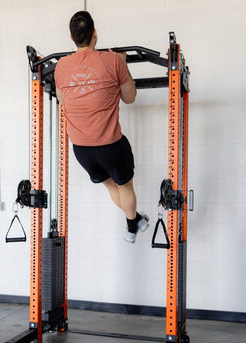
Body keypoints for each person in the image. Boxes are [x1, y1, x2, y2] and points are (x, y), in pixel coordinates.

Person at [54, 10, 149, 243]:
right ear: (95, 34)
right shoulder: (113, 61)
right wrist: (122, 66)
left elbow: (63, 100)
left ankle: (134, 221)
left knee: (111, 187)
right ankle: (131, 226)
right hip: (111, 146)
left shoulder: (61, 67)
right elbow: (130, 97)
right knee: (125, 187)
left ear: (71, 38)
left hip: (82, 150)